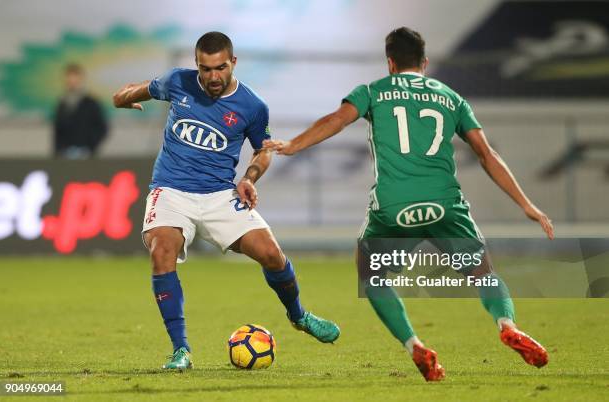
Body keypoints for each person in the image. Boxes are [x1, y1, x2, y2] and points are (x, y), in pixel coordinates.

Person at [263, 27, 554, 382]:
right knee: (483, 273)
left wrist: (293, 144)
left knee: (371, 274)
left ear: (390, 63)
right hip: (445, 205)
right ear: (425, 62)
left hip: (394, 207)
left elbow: (336, 121)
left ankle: (414, 344)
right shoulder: (451, 97)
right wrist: (527, 205)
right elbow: (486, 153)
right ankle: (506, 324)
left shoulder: (373, 91)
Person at [112, 32, 339, 370]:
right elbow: (139, 89)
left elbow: (263, 150)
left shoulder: (252, 106)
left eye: (220, 68)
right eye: (205, 69)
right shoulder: (178, 82)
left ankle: (299, 316)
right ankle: (181, 351)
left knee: (272, 255)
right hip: (171, 190)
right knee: (162, 252)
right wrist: (121, 99)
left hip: (220, 194)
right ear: (197, 65)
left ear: (233, 63)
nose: (213, 77)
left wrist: (249, 178)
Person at [53, 64, 108, 158]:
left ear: (81, 79)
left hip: (86, 154)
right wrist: (58, 150)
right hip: (64, 154)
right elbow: (58, 130)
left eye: (75, 78)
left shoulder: (91, 103)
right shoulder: (62, 103)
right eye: (69, 78)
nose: (72, 81)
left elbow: (101, 127)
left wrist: (90, 146)